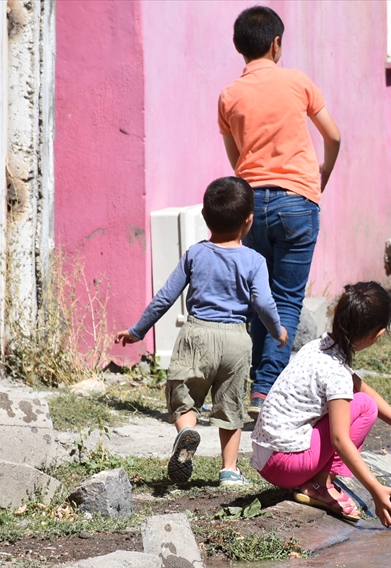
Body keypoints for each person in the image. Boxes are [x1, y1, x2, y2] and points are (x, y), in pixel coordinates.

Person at [115, 176, 288, 488]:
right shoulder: (254, 260)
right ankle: (230, 470)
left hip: (197, 333)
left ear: (205, 218)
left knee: (183, 396)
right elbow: (263, 302)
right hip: (237, 339)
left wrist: (138, 331)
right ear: (249, 221)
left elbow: (165, 297)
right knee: (231, 404)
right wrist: (277, 331)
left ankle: (185, 432)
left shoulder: (196, 254)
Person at [218, 5, 342, 417]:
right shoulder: (297, 83)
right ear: (276, 44)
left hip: (250, 204)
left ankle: (253, 382)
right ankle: (266, 387)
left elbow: (236, 162)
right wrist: (319, 176)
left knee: (258, 296)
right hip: (297, 201)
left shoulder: (229, 95)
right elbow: (334, 135)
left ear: (239, 47)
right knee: (287, 297)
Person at [251, 282, 391, 527]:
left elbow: (357, 383)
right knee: (366, 407)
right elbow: (340, 439)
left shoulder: (318, 347)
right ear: (377, 335)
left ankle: (314, 479)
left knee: (362, 400)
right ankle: (320, 485)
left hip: (266, 456)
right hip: (285, 465)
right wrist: (375, 489)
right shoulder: (335, 373)